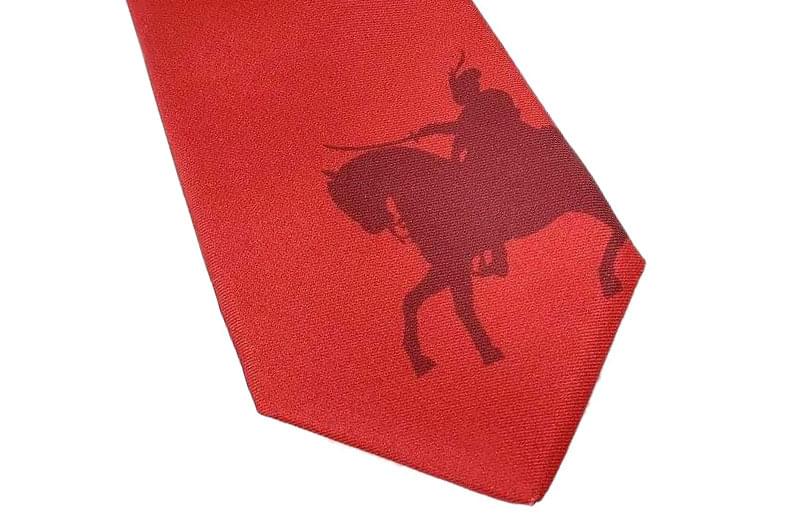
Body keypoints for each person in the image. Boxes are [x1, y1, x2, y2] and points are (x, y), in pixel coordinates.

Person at [411, 54, 519, 276]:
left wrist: (432, 129)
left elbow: (462, 129)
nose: (460, 98)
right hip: (480, 159)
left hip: (497, 158)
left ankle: (498, 259)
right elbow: (460, 139)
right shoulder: (472, 108)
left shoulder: (490, 99)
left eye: (462, 93)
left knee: (480, 201)